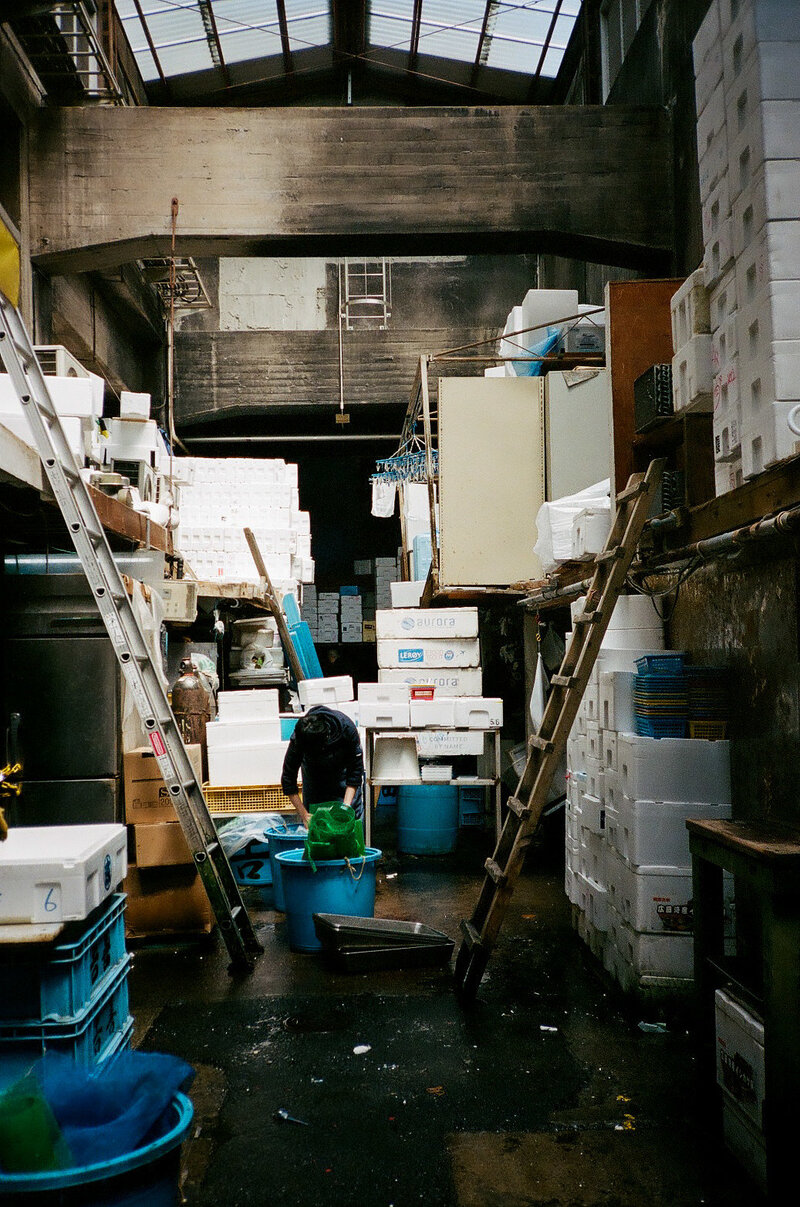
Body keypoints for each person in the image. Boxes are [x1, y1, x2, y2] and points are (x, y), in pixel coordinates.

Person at [281, 705, 365, 827]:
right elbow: (288, 779)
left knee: (348, 827)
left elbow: (355, 773)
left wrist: (345, 808)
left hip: (343, 780)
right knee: (318, 828)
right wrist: (304, 815)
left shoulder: (346, 729)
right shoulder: (300, 738)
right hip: (314, 782)